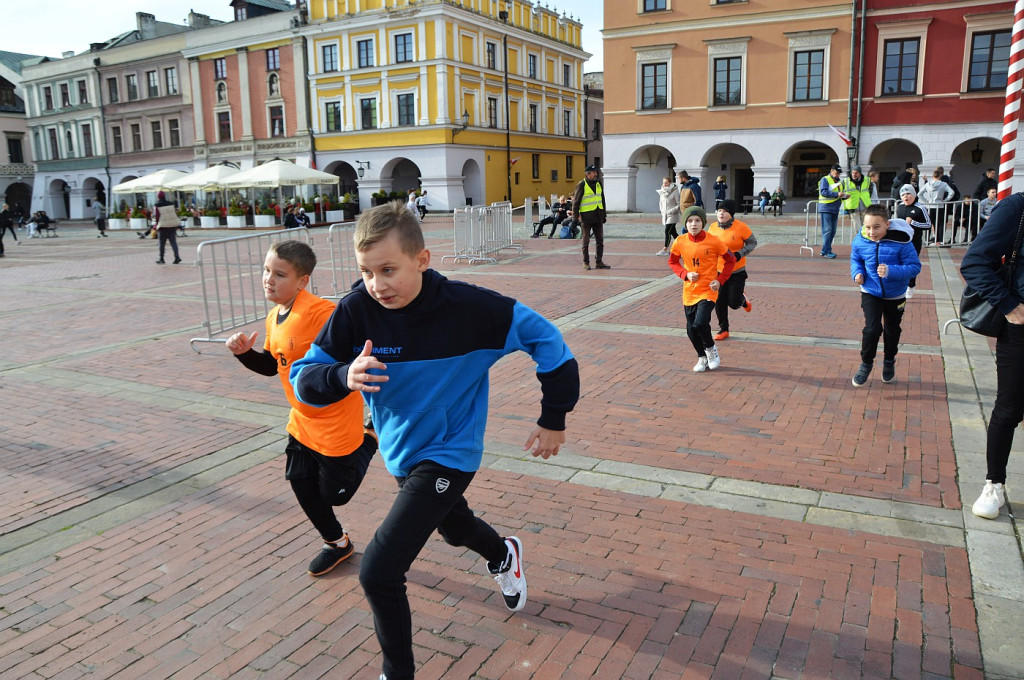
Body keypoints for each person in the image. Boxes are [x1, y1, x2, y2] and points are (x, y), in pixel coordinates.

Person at [290, 201, 580, 680]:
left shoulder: (472, 308)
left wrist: (554, 417)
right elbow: (304, 381)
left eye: (388, 270)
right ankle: (503, 553)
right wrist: (343, 374)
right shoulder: (356, 310)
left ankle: (397, 673)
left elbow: (548, 341)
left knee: (379, 572)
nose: (377, 284)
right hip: (401, 455)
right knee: (453, 529)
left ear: (422, 260)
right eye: (366, 271)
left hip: (451, 452)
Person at [226, 240, 377, 575]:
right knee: (299, 481)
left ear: (302, 281)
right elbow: (272, 366)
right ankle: (337, 543)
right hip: (302, 421)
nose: (269, 279)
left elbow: (352, 346)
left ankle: (370, 436)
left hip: (336, 423)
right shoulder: (273, 318)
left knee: (335, 495)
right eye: (267, 271)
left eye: (280, 274)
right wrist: (243, 354)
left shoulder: (319, 312)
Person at [960, 192, 1024, 519]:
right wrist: (1009, 305)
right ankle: (994, 484)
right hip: (1021, 328)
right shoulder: (1018, 207)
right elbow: (974, 263)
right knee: (1010, 406)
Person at [849, 205, 921, 387]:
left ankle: (889, 361)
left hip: (895, 294)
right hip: (870, 291)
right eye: (867, 227)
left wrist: (891, 271)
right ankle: (866, 364)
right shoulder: (861, 240)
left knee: (892, 329)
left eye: (876, 227)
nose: (871, 232)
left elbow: (914, 267)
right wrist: (857, 273)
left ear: (887, 224)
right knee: (872, 329)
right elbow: (856, 258)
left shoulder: (902, 242)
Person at [668, 206, 736, 372]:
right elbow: (673, 262)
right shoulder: (680, 241)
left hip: (708, 290)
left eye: (697, 220)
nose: (694, 224)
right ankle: (702, 357)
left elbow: (731, 260)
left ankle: (711, 350)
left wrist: (720, 280)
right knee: (690, 329)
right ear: (685, 223)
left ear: (703, 223)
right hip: (690, 291)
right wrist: (685, 274)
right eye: (690, 221)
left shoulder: (714, 241)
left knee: (700, 323)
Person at [708, 199, 756, 341]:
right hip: (718, 271)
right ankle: (724, 329)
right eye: (719, 211)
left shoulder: (741, 227)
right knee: (719, 301)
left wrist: (740, 254)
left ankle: (743, 300)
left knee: (733, 302)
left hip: (736, 271)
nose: (721, 213)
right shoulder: (712, 227)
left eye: (725, 211)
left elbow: (753, 242)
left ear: (731, 214)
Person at [573, 164, 609, 270]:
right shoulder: (582, 185)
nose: (596, 174)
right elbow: (576, 202)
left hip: (598, 216)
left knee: (600, 241)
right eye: (594, 172)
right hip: (586, 218)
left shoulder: (598, 184)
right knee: (586, 241)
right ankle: (586, 262)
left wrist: (604, 214)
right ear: (588, 174)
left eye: (596, 172)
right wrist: (575, 218)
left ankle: (599, 261)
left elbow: (602, 199)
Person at [918, 169, 955, 247]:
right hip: (940, 205)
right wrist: (945, 200)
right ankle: (940, 240)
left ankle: (927, 240)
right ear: (940, 175)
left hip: (931, 205)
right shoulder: (943, 184)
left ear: (932, 175)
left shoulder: (928, 184)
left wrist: (926, 200)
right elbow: (952, 192)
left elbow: (919, 194)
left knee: (929, 223)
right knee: (940, 223)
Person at [817, 164, 846, 259]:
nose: (838, 175)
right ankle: (826, 251)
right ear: (832, 171)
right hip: (826, 208)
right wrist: (837, 194)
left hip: (835, 208)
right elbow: (824, 192)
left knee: (832, 231)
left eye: (839, 173)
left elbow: (838, 195)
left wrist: (844, 196)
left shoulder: (839, 182)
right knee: (828, 230)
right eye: (837, 173)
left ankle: (826, 249)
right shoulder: (825, 179)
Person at [153, 191, 181, 264]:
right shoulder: (171, 204)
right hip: (171, 225)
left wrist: (156, 225)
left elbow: (157, 216)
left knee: (162, 243)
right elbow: (173, 214)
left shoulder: (157, 205)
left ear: (158, 196)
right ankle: (177, 257)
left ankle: (161, 258)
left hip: (163, 226)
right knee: (173, 243)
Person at [656, 177, 680, 256]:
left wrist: (671, 211)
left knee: (667, 231)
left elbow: (679, 204)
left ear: (670, 183)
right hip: (665, 215)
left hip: (672, 215)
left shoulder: (675, 191)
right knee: (673, 233)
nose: (664, 184)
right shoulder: (662, 192)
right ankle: (683, 246)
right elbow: (661, 202)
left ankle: (665, 249)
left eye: (666, 182)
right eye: (663, 182)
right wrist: (661, 210)